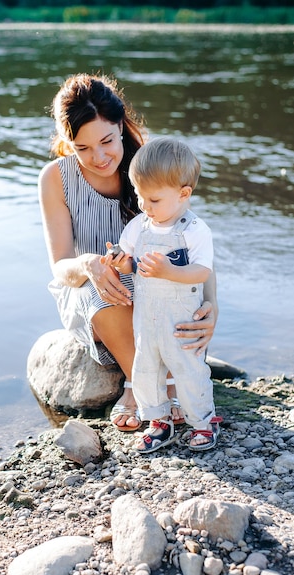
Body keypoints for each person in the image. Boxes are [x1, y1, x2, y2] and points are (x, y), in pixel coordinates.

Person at [38, 73, 218, 433]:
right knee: (100, 291)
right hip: (90, 290)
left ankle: (162, 381)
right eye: (82, 148)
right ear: (66, 143)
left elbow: (193, 241)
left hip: (155, 283)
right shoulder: (55, 178)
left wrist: (212, 306)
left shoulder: (148, 164)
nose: (99, 157)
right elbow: (60, 267)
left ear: (121, 124)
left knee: (171, 285)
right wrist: (89, 264)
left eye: (106, 141)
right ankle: (146, 386)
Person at [104, 136, 221, 453]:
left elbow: (201, 272)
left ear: (184, 194)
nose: (144, 206)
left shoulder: (193, 230)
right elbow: (132, 263)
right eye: (140, 197)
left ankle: (202, 422)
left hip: (180, 320)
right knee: (146, 370)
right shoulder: (139, 227)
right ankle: (158, 421)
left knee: (188, 371)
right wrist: (119, 260)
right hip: (147, 319)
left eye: (153, 200)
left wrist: (170, 272)